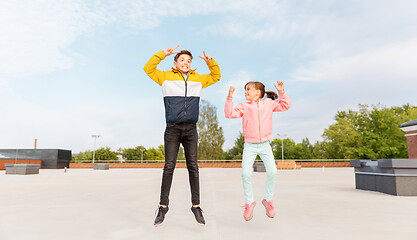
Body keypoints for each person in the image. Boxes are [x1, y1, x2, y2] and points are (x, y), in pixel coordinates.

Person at [143, 45, 221, 226]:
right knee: (169, 166)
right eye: (182, 60)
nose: (185, 63)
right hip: (173, 128)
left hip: (191, 129)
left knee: (193, 166)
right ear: (175, 63)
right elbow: (148, 68)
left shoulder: (198, 79)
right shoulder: (165, 77)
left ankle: (196, 206)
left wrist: (212, 63)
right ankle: (163, 206)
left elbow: (216, 76)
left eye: (188, 61)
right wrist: (162, 54)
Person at [224, 81, 291, 221]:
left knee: (273, 171)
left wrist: (281, 91)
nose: (245, 92)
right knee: (245, 174)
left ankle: (268, 200)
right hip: (249, 145)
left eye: (248, 89)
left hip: (265, 145)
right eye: (245, 90)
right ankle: (249, 202)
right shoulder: (244, 106)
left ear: (258, 92)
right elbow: (229, 114)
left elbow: (285, 106)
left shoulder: (269, 103)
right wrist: (229, 97)